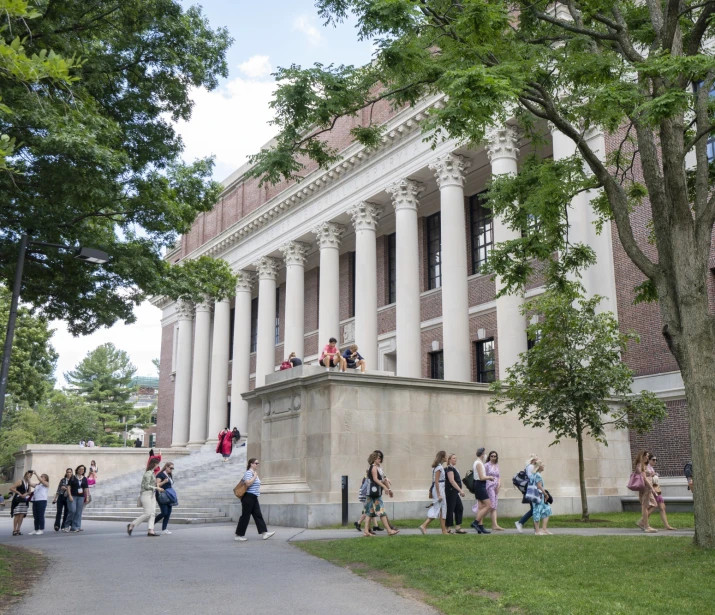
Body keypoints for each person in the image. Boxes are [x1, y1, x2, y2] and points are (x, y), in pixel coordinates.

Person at [234, 458, 275, 541]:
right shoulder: (248, 473)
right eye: (256, 463)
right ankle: (238, 535)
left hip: (254, 497)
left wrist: (255, 475)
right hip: (248, 497)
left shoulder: (254, 473)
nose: (257, 464)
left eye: (258, 463)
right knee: (245, 516)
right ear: (251, 464)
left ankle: (264, 533)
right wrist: (255, 476)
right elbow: (248, 483)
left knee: (258, 515)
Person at [361, 450, 399, 537]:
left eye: (380, 458)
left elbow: (383, 479)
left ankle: (367, 531)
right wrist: (385, 488)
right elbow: (375, 479)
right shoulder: (373, 467)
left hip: (375, 493)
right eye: (378, 458)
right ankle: (389, 531)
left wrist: (389, 489)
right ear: (374, 459)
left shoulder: (379, 468)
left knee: (370, 512)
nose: (380, 459)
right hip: (372, 493)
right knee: (379, 511)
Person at [127, 457, 164, 537]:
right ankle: (132, 524)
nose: (158, 466)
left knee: (153, 513)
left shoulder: (153, 473)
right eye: (158, 464)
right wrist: (157, 488)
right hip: (146, 494)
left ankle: (151, 530)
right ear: (154, 464)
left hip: (152, 494)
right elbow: (146, 486)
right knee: (147, 513)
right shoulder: (148, 473)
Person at [419, 451, 448, 535]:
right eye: (445, 456)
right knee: (438, 509)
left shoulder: (438, 466)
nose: (447, 457)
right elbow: (436, 481)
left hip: (439, 488)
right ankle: (424, 525)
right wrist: (439, 494)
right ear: (442, 457)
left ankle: (444, 530)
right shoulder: (439, 467)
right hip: (439, 489)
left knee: (442, 509)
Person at [646, 454, 676, 530]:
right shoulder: (647, 467)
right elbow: (646, 477)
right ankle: (643, 522)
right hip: (652, 490)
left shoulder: (651, 468)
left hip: (656, 489)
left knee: (662, 507)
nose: (655, 461)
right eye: (653, 460)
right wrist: (653, 475)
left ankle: (667, 525)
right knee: (653, 507)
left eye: (656, 460)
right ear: (649, 460)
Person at [470, 447, 496, 534]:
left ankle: (480, 527)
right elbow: (481, 477)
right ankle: (475, 522)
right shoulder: (478, 463)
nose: (485, 455)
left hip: (479, 485)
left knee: (481, 507)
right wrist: (490, 477)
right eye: (485, 454)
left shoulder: (478, 462)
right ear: (482, 454)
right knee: (489, 505)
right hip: (480, 485)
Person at [633, 450, 658, 533]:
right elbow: (644, 478)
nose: (648, 457)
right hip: (646, 488)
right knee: (645, 506)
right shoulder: (641, 465)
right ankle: (646, 526)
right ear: (642, 456)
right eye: (647, 456)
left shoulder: (643, 465)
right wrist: (652, 489)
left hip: (648, 488)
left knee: (654, 504)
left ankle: (642, 522)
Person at [515, 454, 538, 533]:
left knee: (534, 509)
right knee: (534, 509)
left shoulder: (528, 466)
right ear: (533, 460)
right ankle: (520, 523)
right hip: (532, 490)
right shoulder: (531, 467)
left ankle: (535, 528)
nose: (537, 460)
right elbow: (532, 479)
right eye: (536, 459)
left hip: (530, 489)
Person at [64, 465, 89, 532]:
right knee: (72, 510)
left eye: (83, 469)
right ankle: (66, 525)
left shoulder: (84, 479)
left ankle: (75, 527)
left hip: (81, 497)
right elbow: (68, 487)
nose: (81, 470)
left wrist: (87, 497)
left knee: (78, 512)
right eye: (80, 469)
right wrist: (69, 495)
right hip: (73, 496)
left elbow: (86, 489)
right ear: (77, 470)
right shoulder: (73, 477)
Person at [530, 460, 553, 535]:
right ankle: (537, 531)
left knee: (547, 509)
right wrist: (546, 494)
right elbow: (539, 486)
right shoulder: (537, 475)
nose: (544, 466)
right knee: (537, 512)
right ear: (539, 466)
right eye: (542, 465)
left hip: (539, 496)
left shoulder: (535, 474)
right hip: (538, 496)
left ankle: (544, 529)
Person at [9, 470, 34, 536]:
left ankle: (18, 530)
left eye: (30, 475)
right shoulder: (20, 481)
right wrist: (19, 493)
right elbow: (11, 488)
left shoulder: (28, 483)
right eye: (28, 474)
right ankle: (14, 530)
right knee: (17, 515)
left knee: (22, 515)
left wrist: (26, 494)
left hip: (24, 500)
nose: (29, 476)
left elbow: (29, 491)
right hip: (18, 500)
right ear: (26, 474)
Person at [154, 462, 177, 535]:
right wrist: (164, 482)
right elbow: (157, 485)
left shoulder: (170, 475)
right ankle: (151, 524)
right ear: (166, 467)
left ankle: (164, 529)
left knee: (168, 513)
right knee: (164, 512)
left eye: (173, 468)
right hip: (161, 495)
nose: (172, 470)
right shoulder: (160, 474)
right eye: (170, 468)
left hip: (168, 495)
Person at [484, 450, 504, 531]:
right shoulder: (486, 465)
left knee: (494, 506)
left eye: (494, 456)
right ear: (489, 456)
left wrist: (499, 485)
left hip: (496, 486)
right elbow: (483, 476)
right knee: (491, 505)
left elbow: (498, 476)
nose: (493, 457)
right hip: (489, 486)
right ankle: (479, 520)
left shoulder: (496, 465)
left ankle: (495, 525)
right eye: (491, 456)